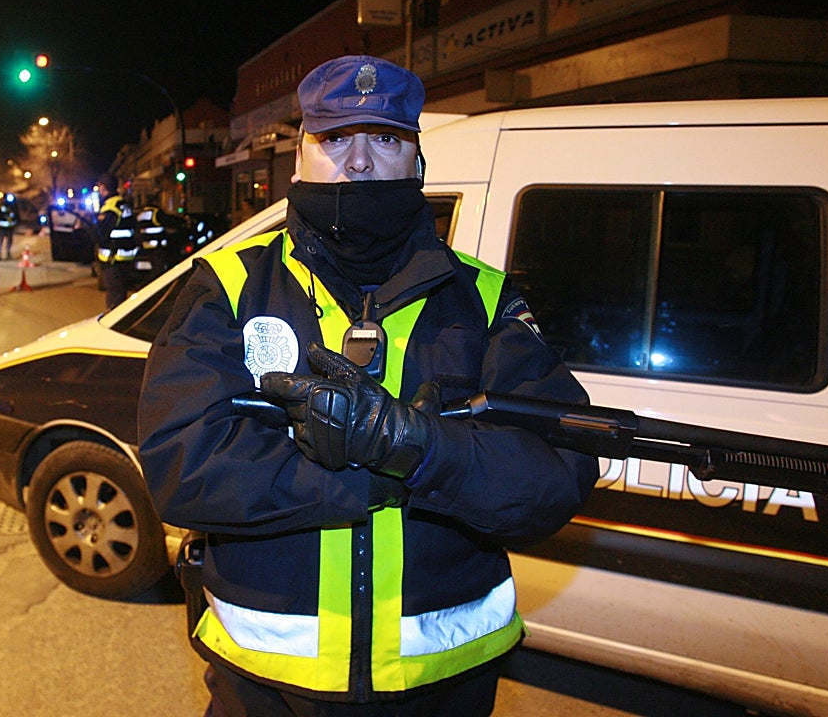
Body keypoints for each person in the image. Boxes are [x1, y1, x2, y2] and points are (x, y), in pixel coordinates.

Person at [138, 55, 598, 716]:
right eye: (335, 138)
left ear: (417, 164)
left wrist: (417, 447)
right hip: (265, 690)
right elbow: (182, 462)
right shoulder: (228, 287)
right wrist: (368, 479)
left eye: (385, 138)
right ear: (298, 161)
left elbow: (556, 473)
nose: (359, 162)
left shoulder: (485, 301)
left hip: (440, 692)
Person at [93, 173, 137, 309]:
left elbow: (101, 233)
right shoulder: (123, 203)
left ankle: (113, 325)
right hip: (126, 257)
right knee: (121, 294)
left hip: (113, 258)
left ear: (104, 187)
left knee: (115, 297)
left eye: (100, 186)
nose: (99, 189)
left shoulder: (110, 207)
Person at [0, 192, 19, 260]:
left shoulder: (12, 205)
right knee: (1, 240)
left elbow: (16, 214)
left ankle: (8, 254)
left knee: (9, 240)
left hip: (10, 226)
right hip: (2, 226)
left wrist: (16, 221)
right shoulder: (0, 205)